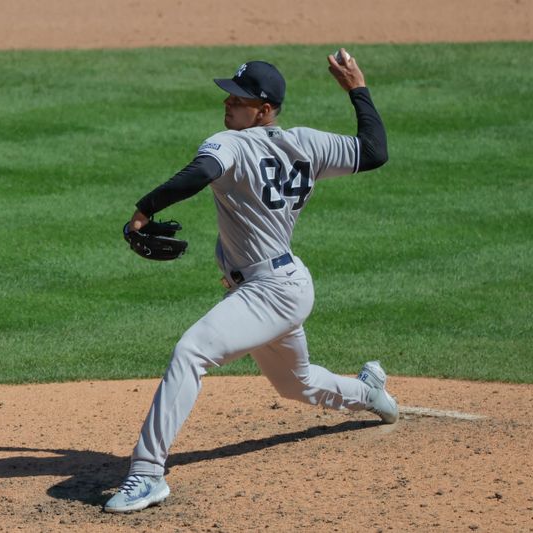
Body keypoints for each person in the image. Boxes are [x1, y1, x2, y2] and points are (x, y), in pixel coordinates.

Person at [105, 50, 397, 513]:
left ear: (262, 111)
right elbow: (375, 151)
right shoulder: (309, 143)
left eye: (239, 100)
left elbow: (202, 172)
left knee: (190, 352)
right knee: (295, 385)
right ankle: (369, 391)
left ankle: (146, 474)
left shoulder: (231, 143)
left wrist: (145, 208)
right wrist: (356, 89)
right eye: (228, 95)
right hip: (281, 284)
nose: (228, 104)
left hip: (270, 291)